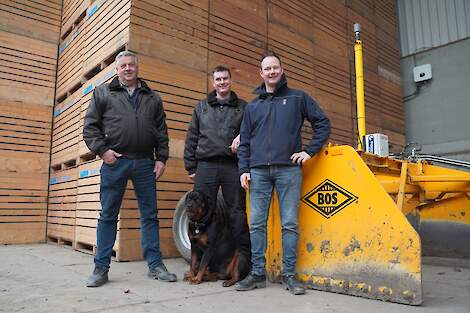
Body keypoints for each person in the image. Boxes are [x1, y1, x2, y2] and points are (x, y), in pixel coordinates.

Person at [235, 51, 331, 295]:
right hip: (257, 171)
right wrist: (243, 169)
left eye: (275, 67)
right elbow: (244, 141)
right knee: (256, 224)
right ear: (261, 73)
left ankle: (289, 275)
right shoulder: (253, 106)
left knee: (289, 224)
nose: (271, 71)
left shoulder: (298, 98)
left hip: (288, 170)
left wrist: (308, 151)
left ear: (281, 69)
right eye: (267, 68)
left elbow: (322, 123)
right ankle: (258, 274)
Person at [83, 50, 176, 287]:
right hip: (116, 162)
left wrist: (161, 158)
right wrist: (103, 152)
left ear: (137, 67)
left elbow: (161, 132)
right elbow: (90, 127)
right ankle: (100, 268)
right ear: (117, 69)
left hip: (145, 162)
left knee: (149, 216)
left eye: (131, 65)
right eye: (123, 65)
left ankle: (155, 265)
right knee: (108, 215)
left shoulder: (152, 98)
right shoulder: (103, 93)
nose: (127, 68)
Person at [184, 65, 251, 258]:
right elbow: (192, 137)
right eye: (218, 79)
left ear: (230, 81)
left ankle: (243, 259)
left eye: (225, 79)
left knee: (237, 212)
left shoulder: (243, 107)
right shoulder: (201, 107)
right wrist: (191, 166)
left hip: (232, 166)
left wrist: (242, 137)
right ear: (213, 83)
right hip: (206, 165)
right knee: (202, 214)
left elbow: (251, 132)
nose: (222, 82)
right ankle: (205, 264)